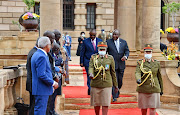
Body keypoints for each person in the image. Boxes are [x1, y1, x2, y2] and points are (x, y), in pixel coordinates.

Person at [89, 41, 118, 115]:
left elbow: (113, 72)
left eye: (103, 49)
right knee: (96, 103)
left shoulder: (110, 58)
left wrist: (115, 85)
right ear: (98, 50)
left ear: (106, 49)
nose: (102, 51)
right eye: (100, 49)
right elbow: (91, 67)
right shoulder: (93, 58)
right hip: (96, 83)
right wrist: (91, 73)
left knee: (105, 103)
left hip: (106, 84)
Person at [31, 37, 59, 115]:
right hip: (42, 89)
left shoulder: (37, 54)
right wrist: (53, 83)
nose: (50, 47)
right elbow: (41, 74)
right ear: (46, 45)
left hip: (40, 88)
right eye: (50, 45)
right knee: (41, 111)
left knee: (40, 110)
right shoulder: (41, 56)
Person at [135, 44, 163, 115]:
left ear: (152, 53)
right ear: (144, 53)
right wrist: (138, 79)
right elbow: (137, 72)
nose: (148, 54)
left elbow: (159, 76)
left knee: (153, 107)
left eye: (149, 52)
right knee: (143, 108)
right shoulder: (140, 63)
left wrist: (161, 89)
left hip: (154, 88)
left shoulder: (157, 63)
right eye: (146, 52)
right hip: (143, 88)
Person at [106, 29, 129, 102]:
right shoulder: (108, 42)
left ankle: (117, 89)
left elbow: (127, 51)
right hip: (113, 65)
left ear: (119, 35)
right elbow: (105, 51)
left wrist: (125, 56)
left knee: (120, 81)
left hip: (121, 64)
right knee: (114, 80)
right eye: (113, 34)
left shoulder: (124, 42)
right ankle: (114, 96)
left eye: (116, 34)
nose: (114, 36)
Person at [80, 29, 102, 95]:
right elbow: (82, 52)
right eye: (91, 35)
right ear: (89, 34)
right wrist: (81, 62)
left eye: (94, 35)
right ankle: (90, 89)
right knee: (90, 75)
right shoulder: (85, 42)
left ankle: (95, 88)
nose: (92, 37)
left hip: (97, 62)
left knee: (96, 75)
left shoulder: (100, 41)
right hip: (88, 61)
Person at [49, 43, 65, 115]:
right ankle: (51, 111)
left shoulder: (59, 57)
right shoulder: (51, 57)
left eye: (58, 49)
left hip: (59, 79)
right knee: (51, 97)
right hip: (53, 79)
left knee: (55, 96)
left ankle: (53, 110)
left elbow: (62, 65)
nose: (57, 51)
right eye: (55, 50)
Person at [26, 38, 39, 115]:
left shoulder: (33, 51)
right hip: (33, 83)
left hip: (31, 82)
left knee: (33, 105)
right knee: (33, 105)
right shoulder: (35, 53)